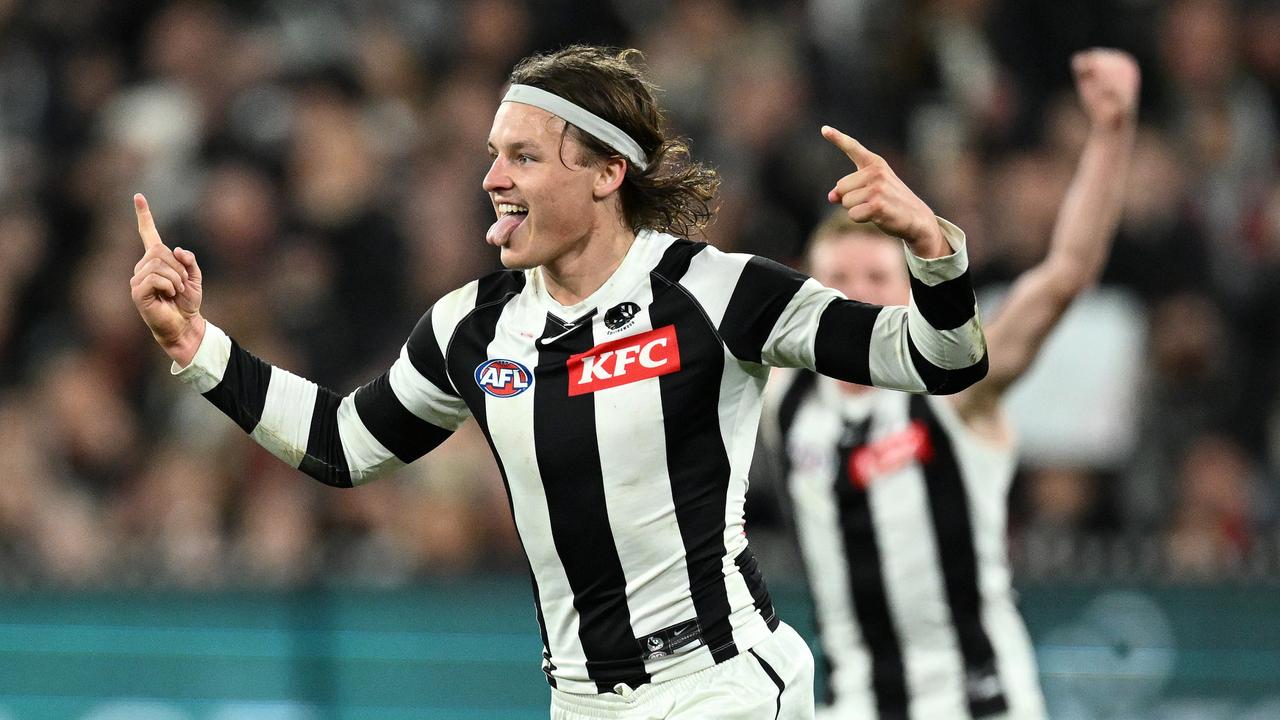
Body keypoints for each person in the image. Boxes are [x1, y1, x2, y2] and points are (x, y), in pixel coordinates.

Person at [129, 45, 989, 720]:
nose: (492, 180)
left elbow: (941, 358)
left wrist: (930, 248)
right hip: (578, 702)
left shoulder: (716, 292)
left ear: (607, 173)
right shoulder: (472, 323)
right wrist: (198, 345)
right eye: (493, 155)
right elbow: (345, 445)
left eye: (523, 157)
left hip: (719, 685)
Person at [762, 49, 1140, 720]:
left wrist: (1111, 133)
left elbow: (1068, 270)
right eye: (837, 284)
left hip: (980, 703)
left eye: (876, 282)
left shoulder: (955, 384)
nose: (856, 301)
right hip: (853, 705)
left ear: (912, 296)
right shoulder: (778, 399)